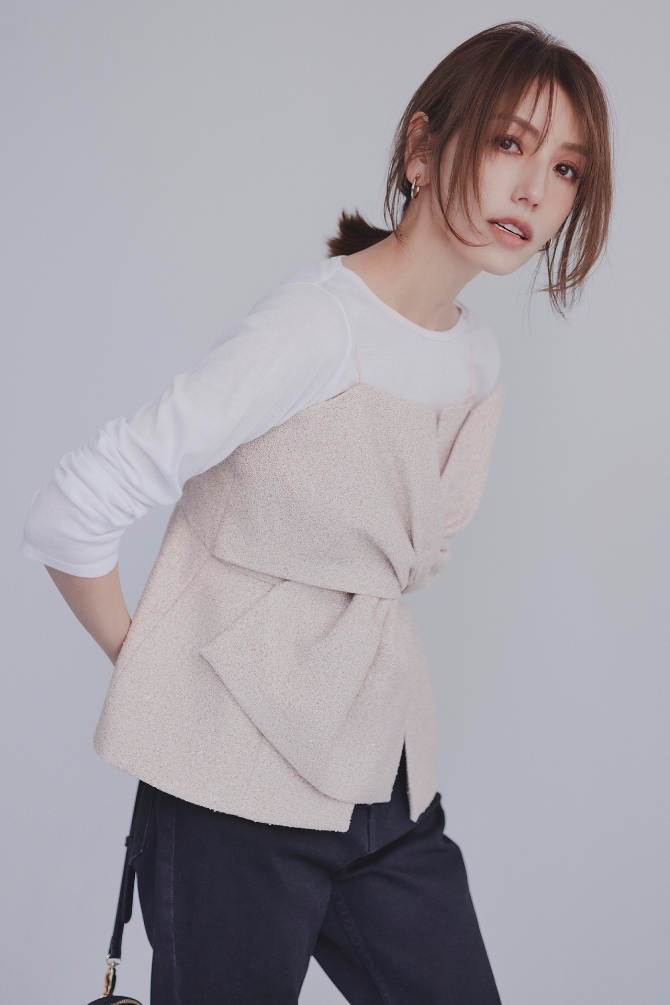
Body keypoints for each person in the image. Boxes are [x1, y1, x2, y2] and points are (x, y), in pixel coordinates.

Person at [21, 20, 613, 1005]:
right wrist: (162, 676)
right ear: (422, 149)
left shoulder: (475, 361)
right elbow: (73, 508)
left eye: (565, 169)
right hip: (230, 796)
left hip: (382, 788)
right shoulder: (315, 327)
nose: (534, 190)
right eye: (508, 143)